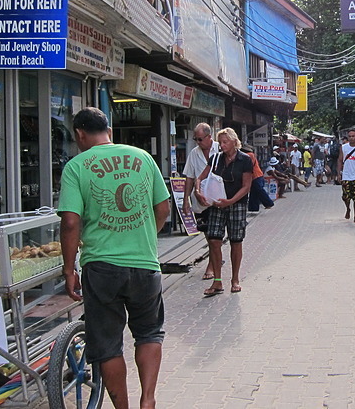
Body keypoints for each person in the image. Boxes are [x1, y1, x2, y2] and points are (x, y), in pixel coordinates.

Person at [58, 107, 171, 409]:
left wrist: (69, 270)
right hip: (145, 265)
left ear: (80, 134)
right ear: (108, 129)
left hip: (101, 267)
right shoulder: (144, 158)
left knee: (108, 345)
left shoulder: (76, 167)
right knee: (148, 333)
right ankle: (148, 399)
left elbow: (70, 223)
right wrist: (143, 235)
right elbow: (163, 210)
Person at [195, 128, 252, 295]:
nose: (222, 145)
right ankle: (217, 281)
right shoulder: (216, 159)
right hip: (217, 204)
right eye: (220, 142)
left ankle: (235, 279)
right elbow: (200, 178)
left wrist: (231, 201)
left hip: (236, 204)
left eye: (225, 142)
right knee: (213, 240)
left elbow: (246, 186)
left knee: (236, 241)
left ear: (234, 142)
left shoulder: (244, 160)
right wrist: (198, 191)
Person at [182, 123, 220, 280]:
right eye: (195, 139)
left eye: (200, 139)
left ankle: (212, 265)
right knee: (208, 234)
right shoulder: (194, 153)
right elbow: (189, 177)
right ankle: (215, 261)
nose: (198, 142)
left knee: (214, 236)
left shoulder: (220, 148)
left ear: (209, 137)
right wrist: (185, 200)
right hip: (201, 201)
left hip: (218, 199)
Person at [337, 129, 355, 224]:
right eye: (350, 136)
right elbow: (340, 160)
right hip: (346, 175)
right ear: (348, 137)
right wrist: (338, 174)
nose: (352, 138)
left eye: (354, 136)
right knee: (345, 196)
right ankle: (348, 208)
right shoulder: (343, 148)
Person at [242, 144, 274, 213]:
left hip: (256, 176)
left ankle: (268, 203)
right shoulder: (249, 155)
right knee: (254, 192)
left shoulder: (249, 155)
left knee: (259, 190)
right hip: (254, 176)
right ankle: (253, 208)